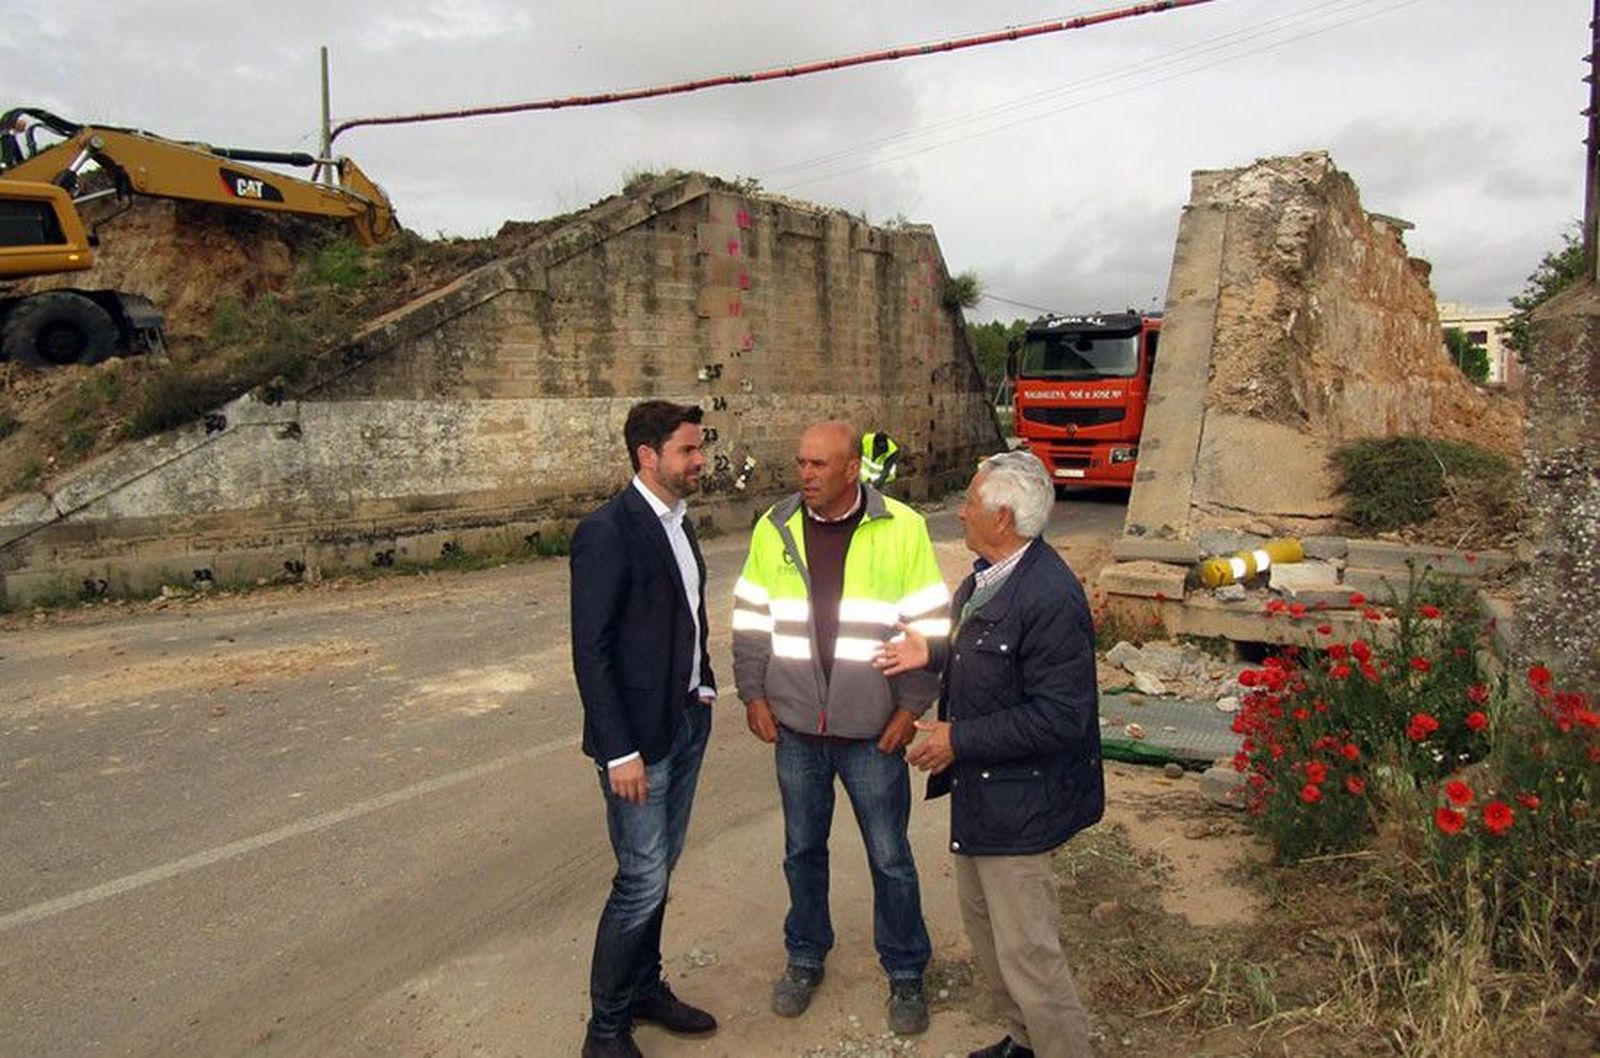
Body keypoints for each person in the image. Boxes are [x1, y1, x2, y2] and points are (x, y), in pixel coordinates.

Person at [875, 449, 1103, 1058]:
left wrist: (957, 738)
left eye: (972, 501)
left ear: (1003, 517)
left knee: (1030, 955)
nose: (960, 509)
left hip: (1021, 806)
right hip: (984, 798)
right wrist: (933, 654)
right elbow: (991, 662)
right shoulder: (985, 578)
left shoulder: (1050, 595)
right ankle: (1024, 1044)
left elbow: (1062, 716)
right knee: (988, 936)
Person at [730, 420, 950, 1036]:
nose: (806, 475)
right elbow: (750, 622)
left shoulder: (902, 527)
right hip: (797, 730)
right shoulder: (774, 529)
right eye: (801, 463)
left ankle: (906, 970)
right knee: (802, 851)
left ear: (852, 468)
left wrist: (908, 709)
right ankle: (805, 957)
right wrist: (753, 693)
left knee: (890, 857)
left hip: (872, 732)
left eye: (819, 465)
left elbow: (927, 629)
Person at [570, 400, 720, 1058]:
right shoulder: (609, 530)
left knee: (662, 868)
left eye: (700, 449)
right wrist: (618, 750)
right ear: (648, 457)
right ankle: (605, 1028)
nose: (700, 461)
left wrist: (705, 681)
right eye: (689, 451)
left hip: (686, 719)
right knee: (641, 878)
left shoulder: (680, 524)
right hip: (637, 740)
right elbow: (591, 650)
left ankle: (644, 989)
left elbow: (690, 615)